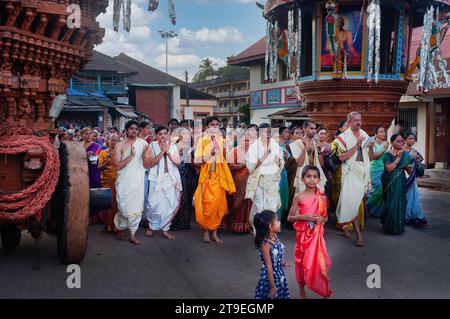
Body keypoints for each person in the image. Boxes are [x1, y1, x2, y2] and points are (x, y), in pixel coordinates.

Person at [288, 165, 332, 299]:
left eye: (314, 177)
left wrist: (321, 220)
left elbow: (326, 218)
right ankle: (302, 289)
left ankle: (324, 290)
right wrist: (303, 217)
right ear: (302, 179)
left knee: (319, 263)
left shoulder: (322, 197)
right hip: (302, 237)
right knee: (301, 263)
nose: (311, 179)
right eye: (308, 176)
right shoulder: (298, 196)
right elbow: (289, 218)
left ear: (319, 180)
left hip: (316, 237)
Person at [194, 116, 236, 244]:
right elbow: (197, 161)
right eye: (211, 124)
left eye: (216, 124)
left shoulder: (221, 140)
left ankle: (215, 233)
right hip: (207, 177)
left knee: (219, 206)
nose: (214, 127)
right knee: (207, 205)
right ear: (207, 127)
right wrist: (210, 154)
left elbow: (226, 158)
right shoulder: (202, 141)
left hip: (219, 177)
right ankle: (206, 232)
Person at [335, 112, 370, 247]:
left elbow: (369, 156)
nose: (358, 123)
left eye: (360, 120)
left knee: (352, 202)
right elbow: (342, 158)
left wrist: (372, 149)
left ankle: (344, 225)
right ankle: (358, 236)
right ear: (349, 122)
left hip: (363, 171)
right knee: (353, 203)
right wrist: (357, 145)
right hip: (350, 172)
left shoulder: (364, 134)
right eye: (355, 120)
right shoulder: (342, 138)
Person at [114, 120, 149, 245]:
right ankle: (121, 227)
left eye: (136, 129)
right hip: (124, 180)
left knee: (136, 206)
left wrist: (144, 155)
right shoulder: (120, 145)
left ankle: (133, 234)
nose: (134, 131)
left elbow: (147, 165)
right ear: (126, 130)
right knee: (123, 205)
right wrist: (131, 156)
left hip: (137, 180)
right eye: (131, 128)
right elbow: (117, 166)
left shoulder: (144, 144)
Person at [245, 123, 284, 234]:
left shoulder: (275, 146)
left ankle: (269, 232)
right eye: (265, 132)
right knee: (259, 208)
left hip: (272, 181)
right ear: (259, 132)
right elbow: (250, 167)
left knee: (271, 208)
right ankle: (259, 233)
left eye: (269, 132)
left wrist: (279, 162)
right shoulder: (254, 147)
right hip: (258, 181)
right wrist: (263, 157)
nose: (267, 134)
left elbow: (281, 163)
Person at [145, 125, 182, 240]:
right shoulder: (151, 146)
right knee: (153, 204)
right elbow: (150, 164)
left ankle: (166, 229)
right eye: (160, 134)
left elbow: (178, 164)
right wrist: (162, 152)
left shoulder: (174, 146)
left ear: (168, 135)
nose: (163, 136)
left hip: (170, 179)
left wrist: (169, 153)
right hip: (156, 179)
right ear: (156, 136)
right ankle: (151, 226)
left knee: (169, 204)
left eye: (165, 134)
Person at [381, 134, 414, 235]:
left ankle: (398, 227)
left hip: (401, 181)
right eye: (398, 141)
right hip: (390, 182)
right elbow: (389, 169)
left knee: (401, 203)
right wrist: (398, 158)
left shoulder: (406, 155)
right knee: (390, 204)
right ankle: (389, 226)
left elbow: (409, 171)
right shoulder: (387, 155)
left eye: (401, 141)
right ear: (392, 142)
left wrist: (408, 169)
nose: (400, 143)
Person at [254, 210, 290, 299]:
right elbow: (268, 266)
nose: (279, 222)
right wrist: (272, 286)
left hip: (279, 275)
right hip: (270, 279)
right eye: (277, 221)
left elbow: (274, 256)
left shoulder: (274, 236)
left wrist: (281, 262)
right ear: (270, 226)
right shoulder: (265, 243)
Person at [171, 127, 197, 230]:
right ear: (180, 136)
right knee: (182, 198)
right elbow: (190, 162)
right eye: (185, 134)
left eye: (189, 134)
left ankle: (182, 221)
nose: (188, 136)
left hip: (187, 174)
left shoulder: (185, 146)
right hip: (182, 174)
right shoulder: (180, 146)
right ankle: (178, 222)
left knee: (185, 198)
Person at [289, 120, 327, 193]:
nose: (314, 131)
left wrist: (319, 150)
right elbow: (299, 163)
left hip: (316, 176)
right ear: (304, 129)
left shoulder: (316, 143)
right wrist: (305, 147)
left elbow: (321, 164)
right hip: (304, 176)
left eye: (315, 129)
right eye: (311, 128)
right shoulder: (296, 144)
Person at [227, 133, 252, 234]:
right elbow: (230, 166)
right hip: (238, 180)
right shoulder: (235, 150)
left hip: (250, 180)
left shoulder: (253, 151)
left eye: (248, 140)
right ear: (240, 141)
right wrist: (243, 164)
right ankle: (236, 225)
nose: (246, 143)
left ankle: (247, 225)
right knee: (238, 203)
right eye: (244, 140)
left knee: (248, 202)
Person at [403, 131, 428, 227]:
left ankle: (414, 215)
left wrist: (416, 161)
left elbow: (419, 162)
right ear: (405, 140)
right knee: (405, 197)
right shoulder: (401, 151)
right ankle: (405, 215)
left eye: (413, 138)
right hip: (403, 176)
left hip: (412, 177)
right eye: (410, 138)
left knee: (414, 197)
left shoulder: (415, 152)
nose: (412, 140)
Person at [366, 126, 389, 218]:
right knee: (377, 189)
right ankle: (366, 205)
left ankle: (376, 210)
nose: (384, 133)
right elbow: (373, 156)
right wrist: (383, 150)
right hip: (374, 167)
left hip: (384, 167)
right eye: (381, 131)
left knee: (383, 189)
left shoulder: (386, 143)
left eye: (384, 131)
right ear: (376, 133)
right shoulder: (372, 143)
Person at [98, 134, 119, 232]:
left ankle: (116, 226)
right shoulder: (103, 153)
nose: (114, 142)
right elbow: (99, 168)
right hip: (107, 180)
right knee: (108, 203)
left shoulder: (121, 153)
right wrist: (107, 163)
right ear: (108, 141)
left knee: (117, 203)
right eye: (112, 140)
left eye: (116, 140)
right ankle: (107, 225)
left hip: (119, 180)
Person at [277, 126, 292, 225]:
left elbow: (288, 161)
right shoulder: (275, 145)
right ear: (280, 133)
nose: (288, 133)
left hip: (283, 172)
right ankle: (275, 221)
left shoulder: (286, 145)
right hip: (276, 173)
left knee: (282, 195)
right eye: (286, 132)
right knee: (276, 196)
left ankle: (279, 220)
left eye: (288, 132)